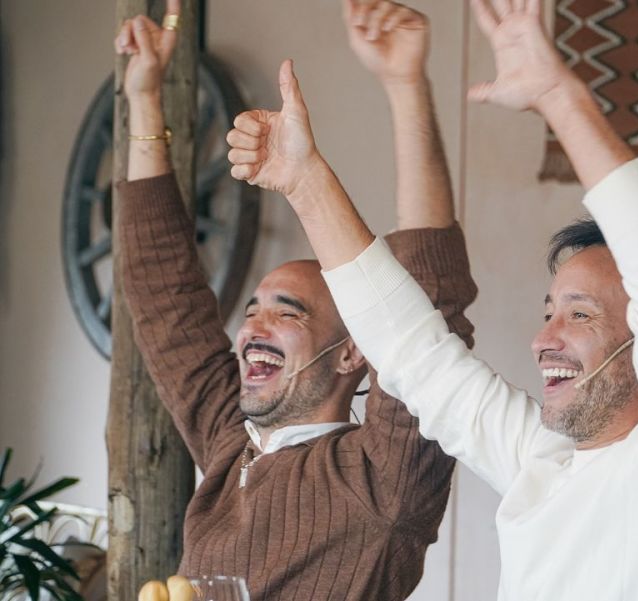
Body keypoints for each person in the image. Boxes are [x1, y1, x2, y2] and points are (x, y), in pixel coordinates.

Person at [226, 0, 638, 599]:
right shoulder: (542, 460)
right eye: (549, 313)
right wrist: (304, 181)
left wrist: (559, 99)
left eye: (579, 313)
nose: (543, 340)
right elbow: (413, 355)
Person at [114, 1, 476, 600]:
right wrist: (145, 97)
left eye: (287, 311)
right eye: (253, 309)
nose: (254, 326)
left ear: (351, 353)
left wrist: (406, 84)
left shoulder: (383, 475)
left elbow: (430, 304)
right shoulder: (233, 441)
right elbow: (162, 294)